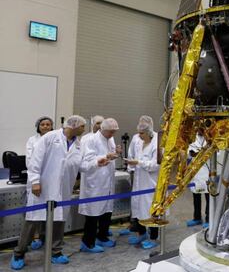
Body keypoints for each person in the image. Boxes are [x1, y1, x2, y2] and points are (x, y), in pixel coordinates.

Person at [10, 115, 86, 270]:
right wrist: (35, 182)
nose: (84, 129)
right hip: (43, 188)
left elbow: (81, 166)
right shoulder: (50, 137)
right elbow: (34, 161)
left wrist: (98, 163)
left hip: (63, 189)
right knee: (32, 221)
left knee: (59, 221)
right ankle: (19, 253)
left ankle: (56, 252)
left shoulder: (78, 144)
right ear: (73, 125)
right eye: (82, 126)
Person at [79, 118, 122, 253]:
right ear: (103, 129)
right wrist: (105, 156)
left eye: (114, 132)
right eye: (110, 132)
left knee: (106, 210)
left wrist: (115, 154)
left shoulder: (110, 139)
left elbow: (110, 156)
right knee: (93, 213)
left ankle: (102, 237)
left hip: (107, 180)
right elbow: (87, 161)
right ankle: (88, 243)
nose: (112, 135)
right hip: (95, 182)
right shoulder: (90, 140)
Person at [125, 115, 160, 249]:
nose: (138, 136)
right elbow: (133, 155)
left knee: (151, 210)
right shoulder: (139, 141)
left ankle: (153, 238)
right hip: (139, 181)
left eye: (141, 133)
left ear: (149, 131)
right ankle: (141, 234)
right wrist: (132, 164)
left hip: (151, 183)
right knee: (138, 208)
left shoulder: (157, 142)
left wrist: (138, 162)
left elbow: (156, 164)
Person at [25, 116, 54, 250]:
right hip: (36, 179)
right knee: (34, 213)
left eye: (48, 124)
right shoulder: (32, 140)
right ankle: (30, 240)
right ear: (38, 126)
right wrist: (37, 178)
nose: (46, 126)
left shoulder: (56, 139)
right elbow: (30, 161)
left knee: (48, 212)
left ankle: (44, 238)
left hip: (50, 180)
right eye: (43, 124)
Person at [186, 129, 209, 228]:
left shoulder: (211, 137)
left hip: (208, 171)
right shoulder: (193, 136)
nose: (199, 130)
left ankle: (209, 219)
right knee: (196, 196)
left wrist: (203, 153)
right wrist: (191, 154)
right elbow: (188, 152)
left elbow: (218, 153)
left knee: (209, 197)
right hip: (196, 173)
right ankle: (197, 218)